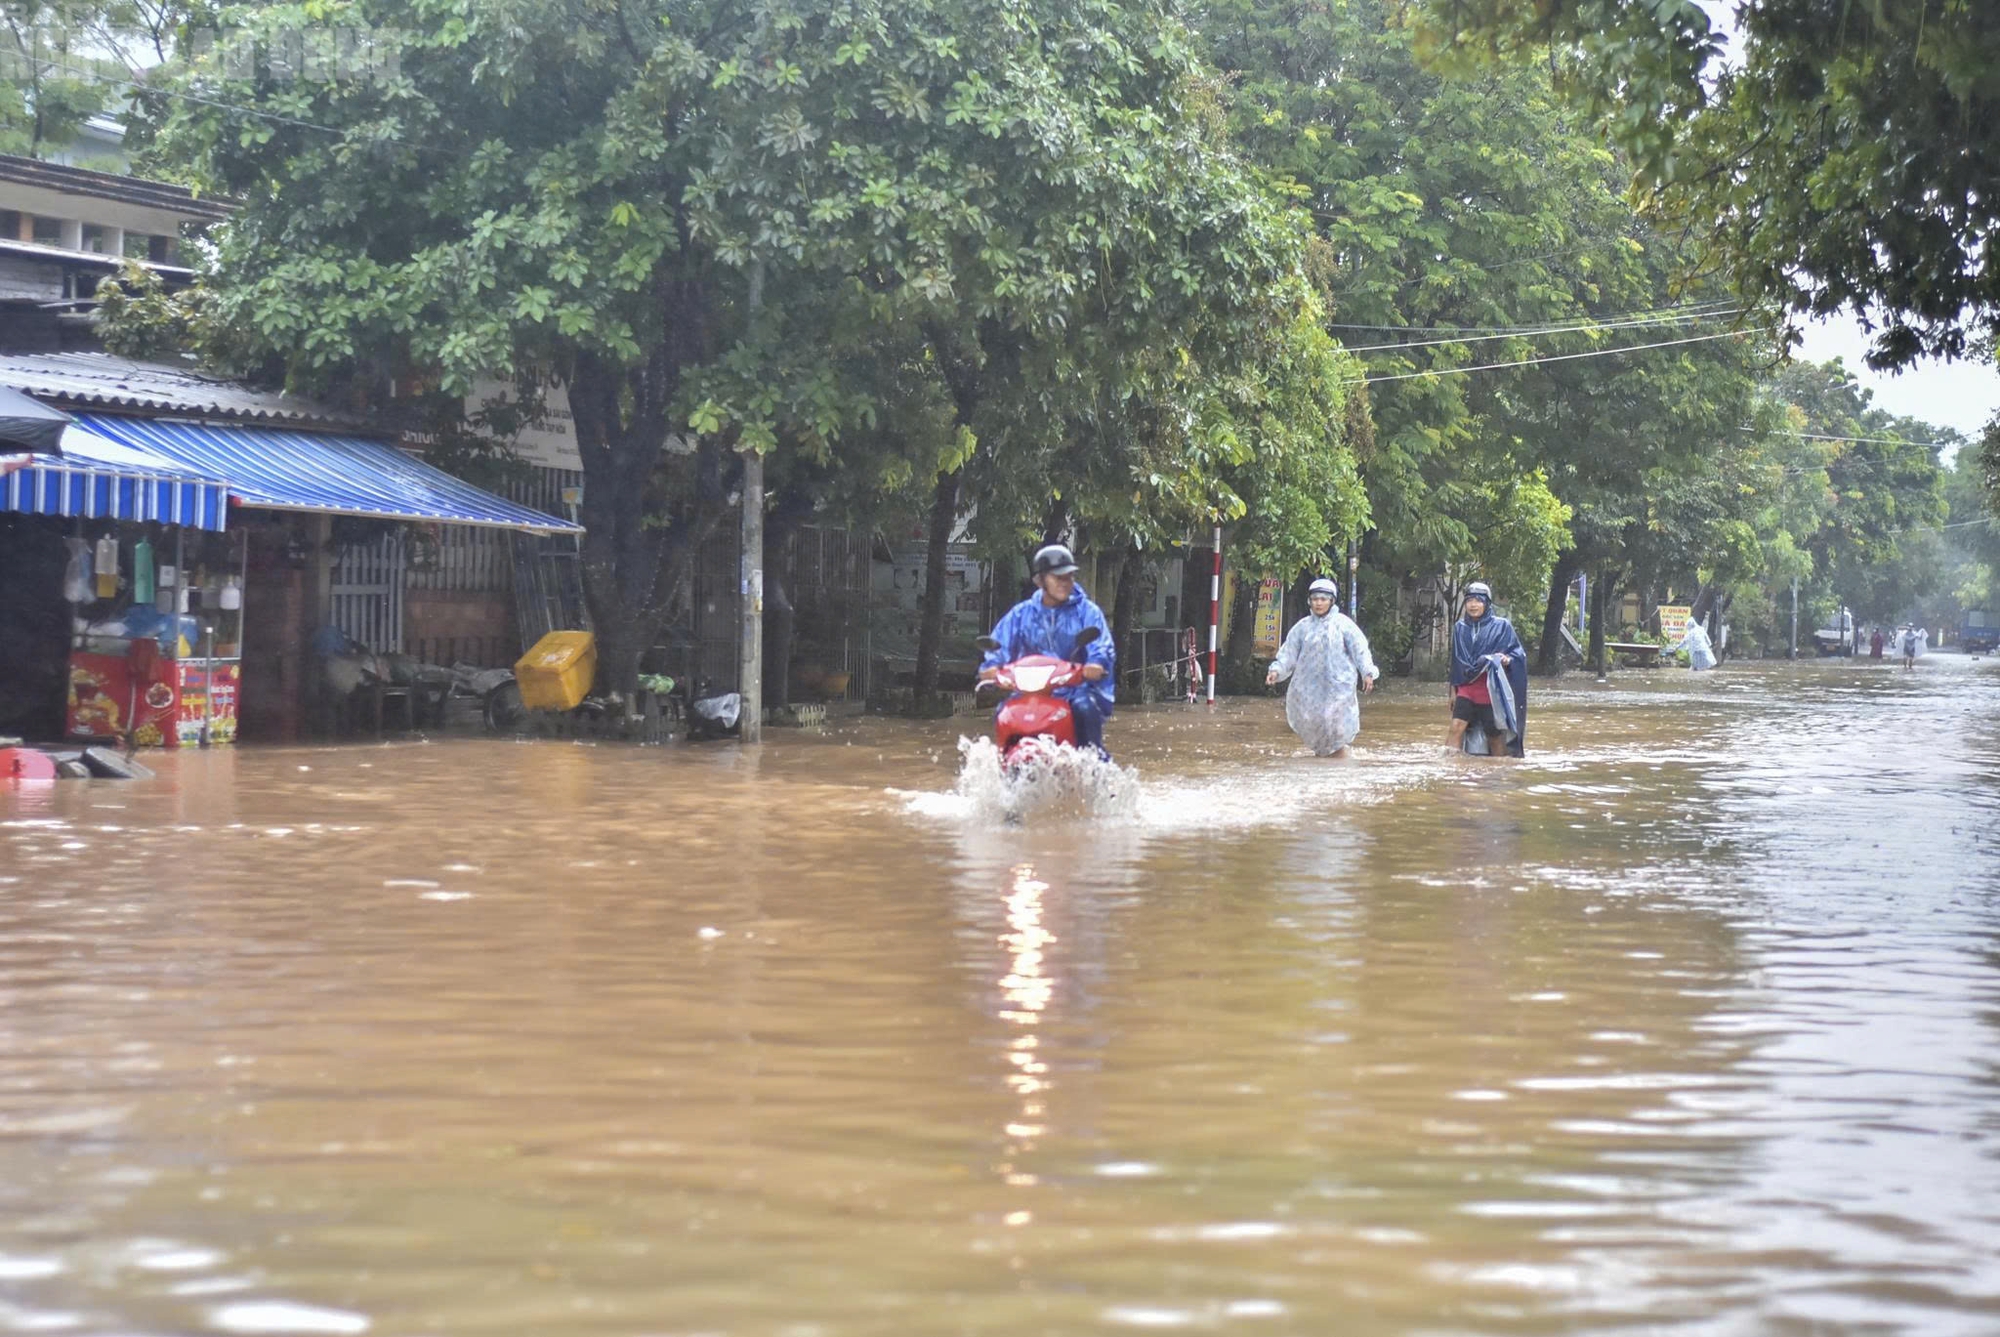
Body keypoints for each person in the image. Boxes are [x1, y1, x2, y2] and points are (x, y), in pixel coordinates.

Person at [979, 544, 1115, 754]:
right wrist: (992, 666)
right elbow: (1000, 644)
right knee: (1003, 712)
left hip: (1074, 690)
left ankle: (1096, 766)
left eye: (1069, 577)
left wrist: (1095, 663)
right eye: (1058, 577)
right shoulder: (1021, 614)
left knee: (1085, 709)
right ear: (1040, 580)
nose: (1065, 582)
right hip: (1029, 692)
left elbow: (1101, 646)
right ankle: (1003, 763)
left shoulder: (1088, 612)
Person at [1265, 577, 1378, 758]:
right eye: (1315, 599)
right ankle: (1322, 763)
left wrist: (1368, 672)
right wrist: (1276, 671)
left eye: (1323, 599)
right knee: (1316, 726)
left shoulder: (1344, 625)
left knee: (1336, 726)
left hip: (1339, 688)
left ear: (1331, 601)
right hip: (1309, 690)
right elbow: (1289, 653)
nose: (1318, 603)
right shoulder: (1302, 628)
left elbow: (1360, 650)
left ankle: (1341, 763)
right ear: (1309, 601)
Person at [1448, 581, 1528, 758]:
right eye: (1469, 601)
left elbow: (1518, 654)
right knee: (1456, 728)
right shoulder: (1459, 628)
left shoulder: (1502, 626)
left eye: (1478, 600)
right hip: (1466, 689)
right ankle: (1450, 766)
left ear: (1487, 603)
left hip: (1491, 691)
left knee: (1494, 736)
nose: (1473, 605)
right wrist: (1453, 692)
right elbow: (1456, 663)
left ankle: (1498, 768)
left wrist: (1507, 659)